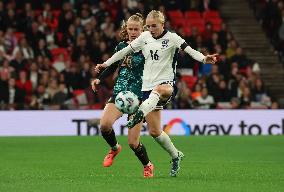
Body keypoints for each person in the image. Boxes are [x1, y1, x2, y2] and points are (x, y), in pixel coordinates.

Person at [95, 10, 218, 177]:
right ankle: (176, 155)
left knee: (161, 90)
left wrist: (204, 58)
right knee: (155, 132)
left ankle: (139, 114)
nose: (151, 29)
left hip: (165, 86)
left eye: (154, 26)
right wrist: (105, 63)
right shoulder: (144, 39)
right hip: (147, 91)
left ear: (162, 24)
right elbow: (123, 53)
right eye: (149, 26)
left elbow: (190, 50)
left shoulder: (173, 38)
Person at [92, 13, 154, 178]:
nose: (133, 32)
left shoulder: (148, 48)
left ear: (143, 30)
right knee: (104, 125)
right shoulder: (121, 47)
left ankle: (147, 165)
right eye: (130, 29)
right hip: (120, 94)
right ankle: (114, 148)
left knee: (133, 143)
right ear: (126, 29)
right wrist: (99, 79)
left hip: (138, 98)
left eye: (136, 29)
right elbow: (112, 66)